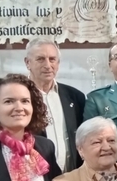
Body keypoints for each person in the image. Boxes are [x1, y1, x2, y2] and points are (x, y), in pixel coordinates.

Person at [24, 39, 85, 171]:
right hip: (33, 177)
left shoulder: (75, 96)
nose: (47, 65)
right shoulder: (19, 97)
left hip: (70, 177)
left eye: (52, 59)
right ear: (27, 63)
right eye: (40, 59)